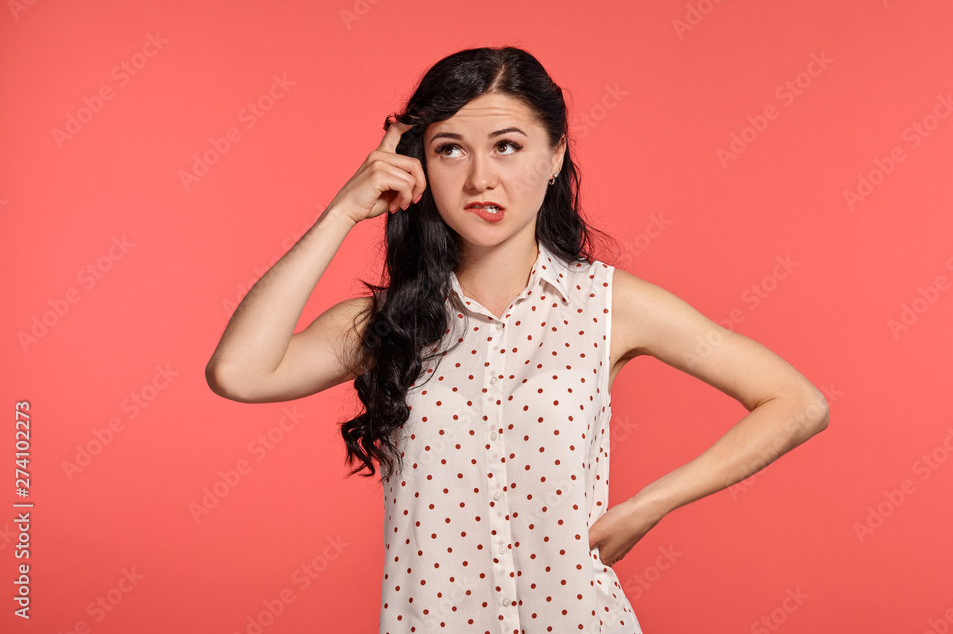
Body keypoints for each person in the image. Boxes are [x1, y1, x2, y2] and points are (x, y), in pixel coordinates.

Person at [205, 46, 829, 633]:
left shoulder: (609, 305)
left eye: (507, 146)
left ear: (556, 156)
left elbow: (797, 402)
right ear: (419, 165)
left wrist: (650, 504)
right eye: (451, 150)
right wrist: (343, 211)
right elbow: (238, 373)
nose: (481, 178)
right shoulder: (386, 323)